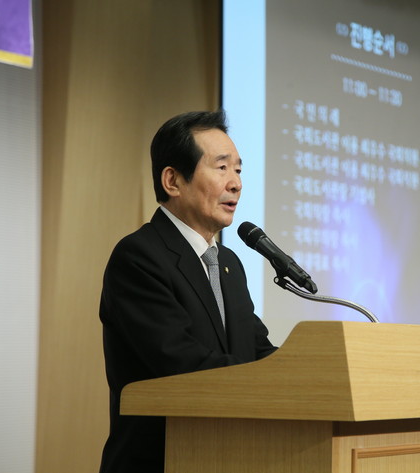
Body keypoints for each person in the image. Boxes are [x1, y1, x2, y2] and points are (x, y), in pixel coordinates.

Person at [98, 110, 277, 473]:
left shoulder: (228, 263)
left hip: (230, 457)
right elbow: (182, 364)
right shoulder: (139, 256)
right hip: (162, 462)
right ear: (173, 180)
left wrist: (309, 373)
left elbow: (256, 349)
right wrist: (270, 380)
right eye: (222, 167)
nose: (236, 183)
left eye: (238, 170)